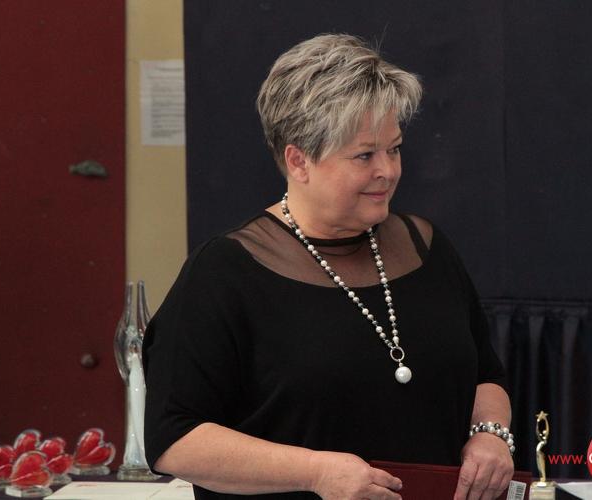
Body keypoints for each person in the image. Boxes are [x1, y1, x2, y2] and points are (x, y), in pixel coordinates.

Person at [143, 33, 514, 500]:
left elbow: (485, 374)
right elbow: (174, 439)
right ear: (299, 161)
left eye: (394, 148)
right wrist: (314, 472)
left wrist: (490, 434)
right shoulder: (222, 273)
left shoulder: (426, 247)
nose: (388, 170)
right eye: (364, 155)